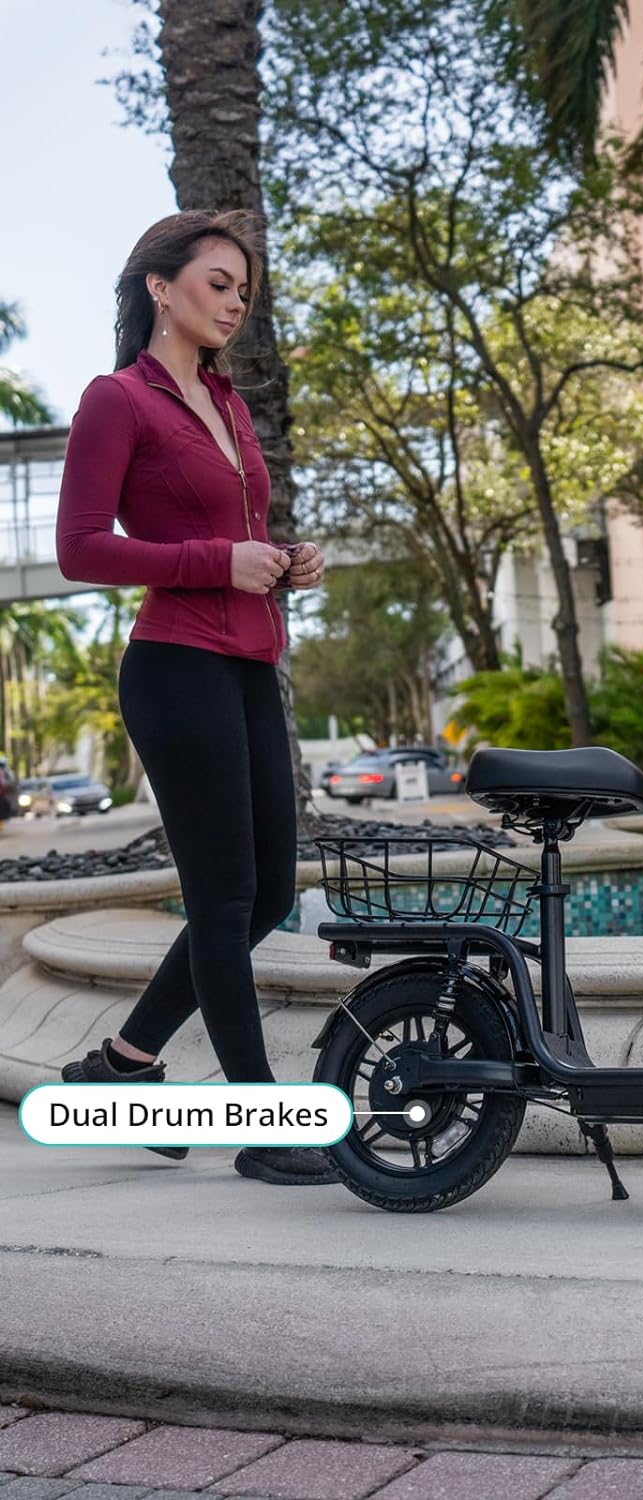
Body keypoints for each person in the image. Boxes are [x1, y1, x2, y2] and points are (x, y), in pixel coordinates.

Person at [55, 209, 336, 1186]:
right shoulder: (116, 400)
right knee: (223, 898)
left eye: (244, 291)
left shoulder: (228, 399)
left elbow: (238, 525)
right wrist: (219, 561)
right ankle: (267, 1126)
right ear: (159, 288)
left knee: (262, 898)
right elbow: (81, 547)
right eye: (218, 283)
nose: (234, 303)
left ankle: (120, 1067)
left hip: (250, 665)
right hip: (175, 669)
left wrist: (285, 560)